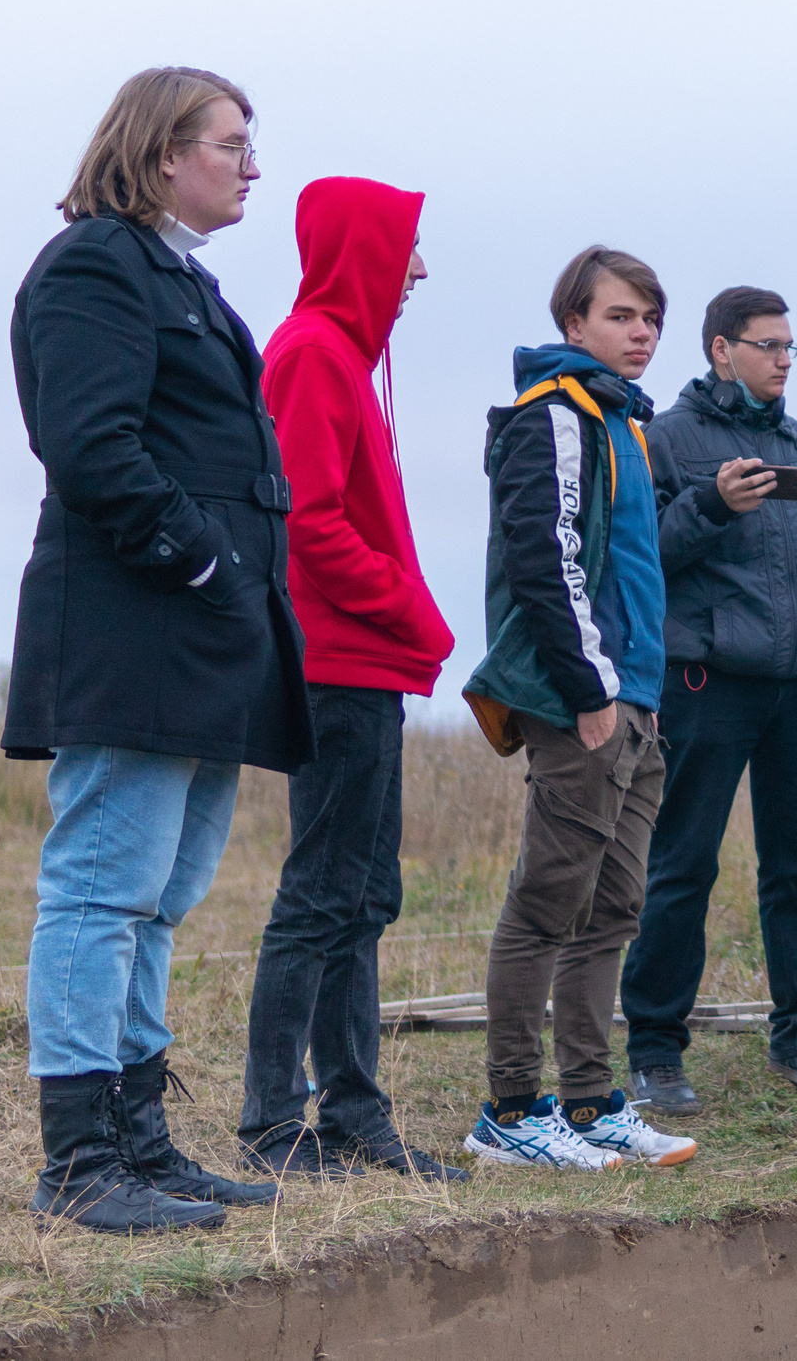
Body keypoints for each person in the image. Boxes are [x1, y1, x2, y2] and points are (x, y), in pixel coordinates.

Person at [3, 67, 312, 1233]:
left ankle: (141, 1140)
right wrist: (205, 567)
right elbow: (90, 447)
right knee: (100, 893)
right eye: (232, 143)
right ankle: (80, 1162)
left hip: (207, 638)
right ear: (160, 149)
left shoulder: (178, 277)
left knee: (159, 899)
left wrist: (234, 598)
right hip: (137, 631)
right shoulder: (94, 264)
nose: (250, 165)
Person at [236, 178, 463, 1182]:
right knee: (323, 897)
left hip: (364, 665)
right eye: (405, 247)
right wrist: (412, 609)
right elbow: (308, 521)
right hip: (337, 663)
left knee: (363, 894)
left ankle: (356, 1118)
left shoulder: (341, 359)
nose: (417, 270)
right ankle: (274, 1126)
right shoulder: (316, 356)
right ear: (360, 250)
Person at [458, 246, 698, 1170]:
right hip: (582, 701)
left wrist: (637, 697)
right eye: (620, 316)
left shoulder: (624, 425)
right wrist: (590, 692)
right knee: (546, 905)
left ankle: (593, 1104)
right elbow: (545, 558)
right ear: (573, 324)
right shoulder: (553, 416)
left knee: (613, 908)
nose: (639, 334)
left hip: (639, 702)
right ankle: (512, 1111)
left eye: (649, 320)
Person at [621, 287, 797, 1115]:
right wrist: (710, 504)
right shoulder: (665, 441)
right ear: (722, 349)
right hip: (706, 685)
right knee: (681, 867)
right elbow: (642, 553)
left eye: (791, 346)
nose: (783, 360)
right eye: (768, 345)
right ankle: (655, 1050)